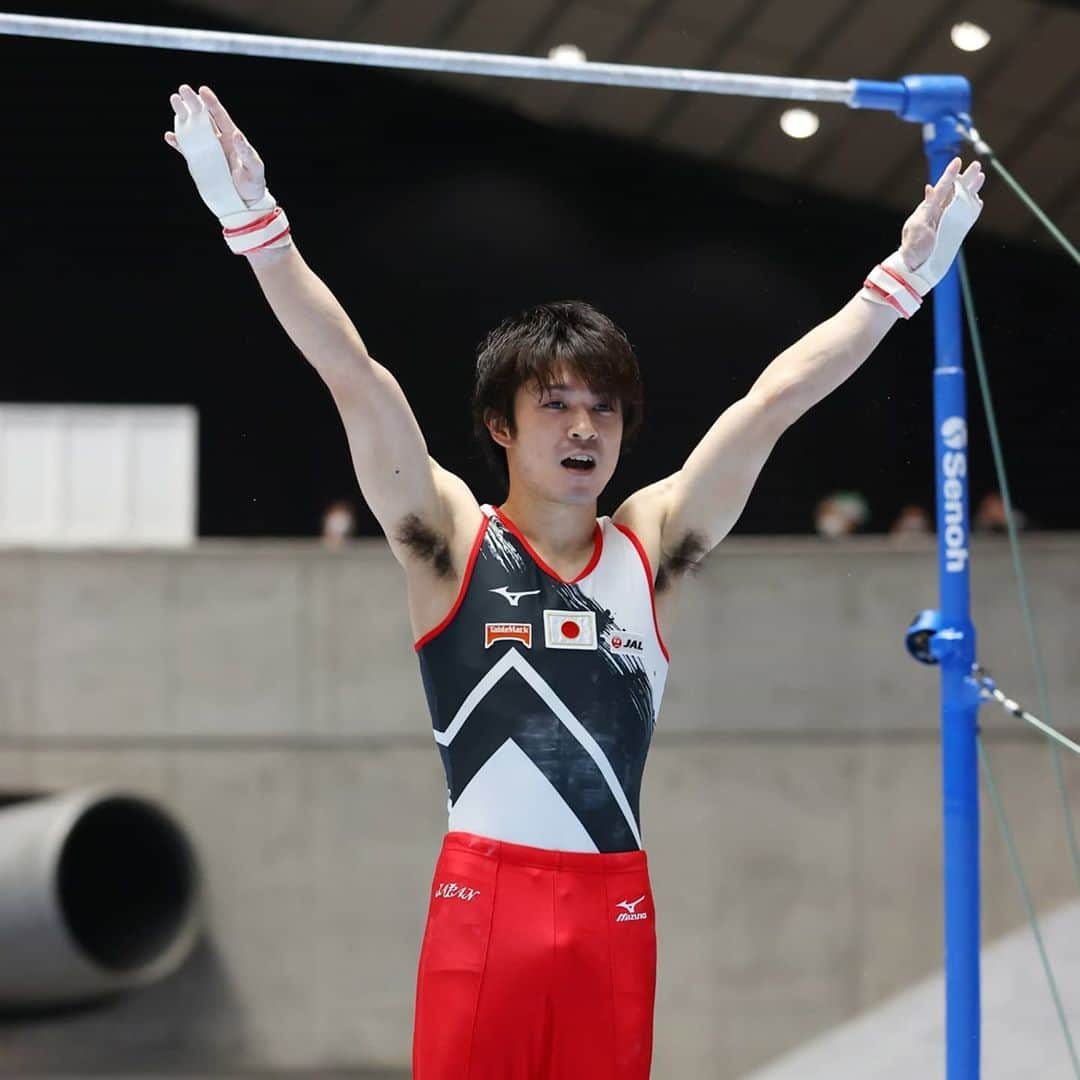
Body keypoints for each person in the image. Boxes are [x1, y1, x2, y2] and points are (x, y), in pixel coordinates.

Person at [164, 83, 985, 1079]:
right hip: (485, 903)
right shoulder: (447, 537)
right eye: (556, 406)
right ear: (501, 427)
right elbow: (354, 375)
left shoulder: (654, 544)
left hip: (615, 907)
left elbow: (771, 405)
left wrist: (897, 281)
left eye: (604, 408)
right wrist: (253, 222)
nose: (586, 429)